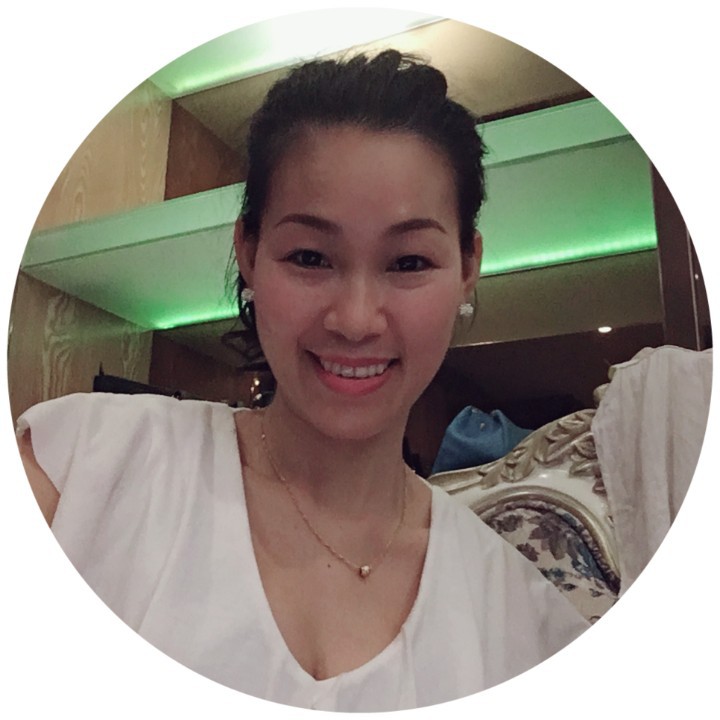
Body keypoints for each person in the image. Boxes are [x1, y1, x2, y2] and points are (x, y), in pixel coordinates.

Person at [17, 50, 589, 711]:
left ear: (468, 267)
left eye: (408, 262)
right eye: (311, 256)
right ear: (248, 252)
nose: (355, 319)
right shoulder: (84, 469)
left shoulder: (523, 625)